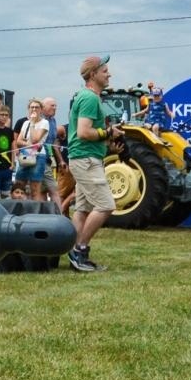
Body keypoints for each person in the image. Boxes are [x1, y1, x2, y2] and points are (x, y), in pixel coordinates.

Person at [66, 54, 116, 272]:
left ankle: (74, 252)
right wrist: (108, 132)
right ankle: (80, 250)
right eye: (105, 71)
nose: (109, 74)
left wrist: (108, 140)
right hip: (86, 159)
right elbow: (84, 131)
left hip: (85, 157)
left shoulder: (88, 97)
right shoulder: (89, 98)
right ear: (93, 74)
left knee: (83, 209)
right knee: (106, 205)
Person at [14, 99, 51, 201]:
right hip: (25, 155)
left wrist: (33, 123)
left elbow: (35, 139)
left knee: (35, 187)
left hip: (38, 156)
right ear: (28, 109)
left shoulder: (45, 123)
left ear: (41, 110)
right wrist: (29, 144)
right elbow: (18, 141)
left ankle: (35, 213)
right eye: (32, 107)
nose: (34, 109)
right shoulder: (25, 123)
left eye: (37, 107)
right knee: (19, 185)